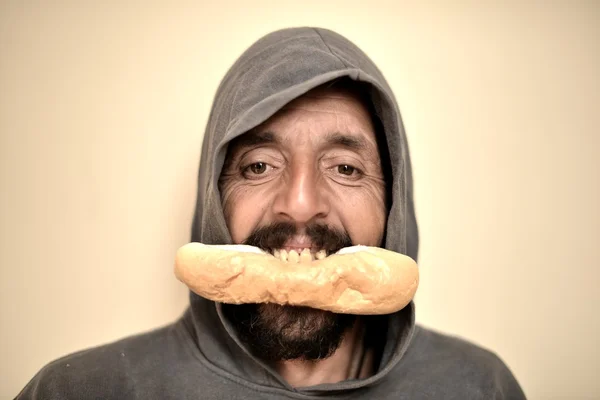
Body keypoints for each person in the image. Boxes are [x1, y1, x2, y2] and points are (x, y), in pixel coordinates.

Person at [16, 27, 526, 399]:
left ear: (395, 205)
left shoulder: (480, 386)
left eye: (346, 168)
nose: (300, 203)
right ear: (213, 195)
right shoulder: (78, 390)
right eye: (259, 165)